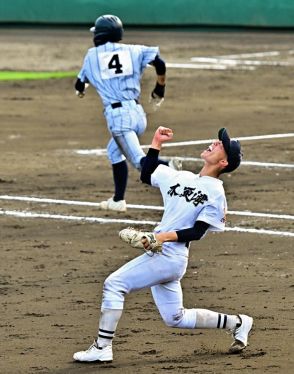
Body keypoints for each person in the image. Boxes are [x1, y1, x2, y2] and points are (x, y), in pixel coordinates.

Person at [73, 126, 253, 363]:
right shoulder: (183, 177)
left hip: (170, 256)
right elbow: (147, 174)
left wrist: (162, 237)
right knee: (175, 317)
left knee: (114, 284)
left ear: (223, 162)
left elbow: (197, 232)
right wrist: (156, 144)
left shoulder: (216, 192)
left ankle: (102, 347)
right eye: (219, 141)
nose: (215, 142)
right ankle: (238, 322)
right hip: (162, 254)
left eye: (221, 145)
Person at [75, 14, 181, 212]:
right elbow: (160, 63)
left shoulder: (92, 55)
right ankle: (118, 200)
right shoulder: (135, 50)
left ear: (99, 35)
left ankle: (169, 167)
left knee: (141, 164)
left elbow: (80, 83)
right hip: (137, 114)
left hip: (119, 118)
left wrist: (80, 90)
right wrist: (160, 89)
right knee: (114, 151)